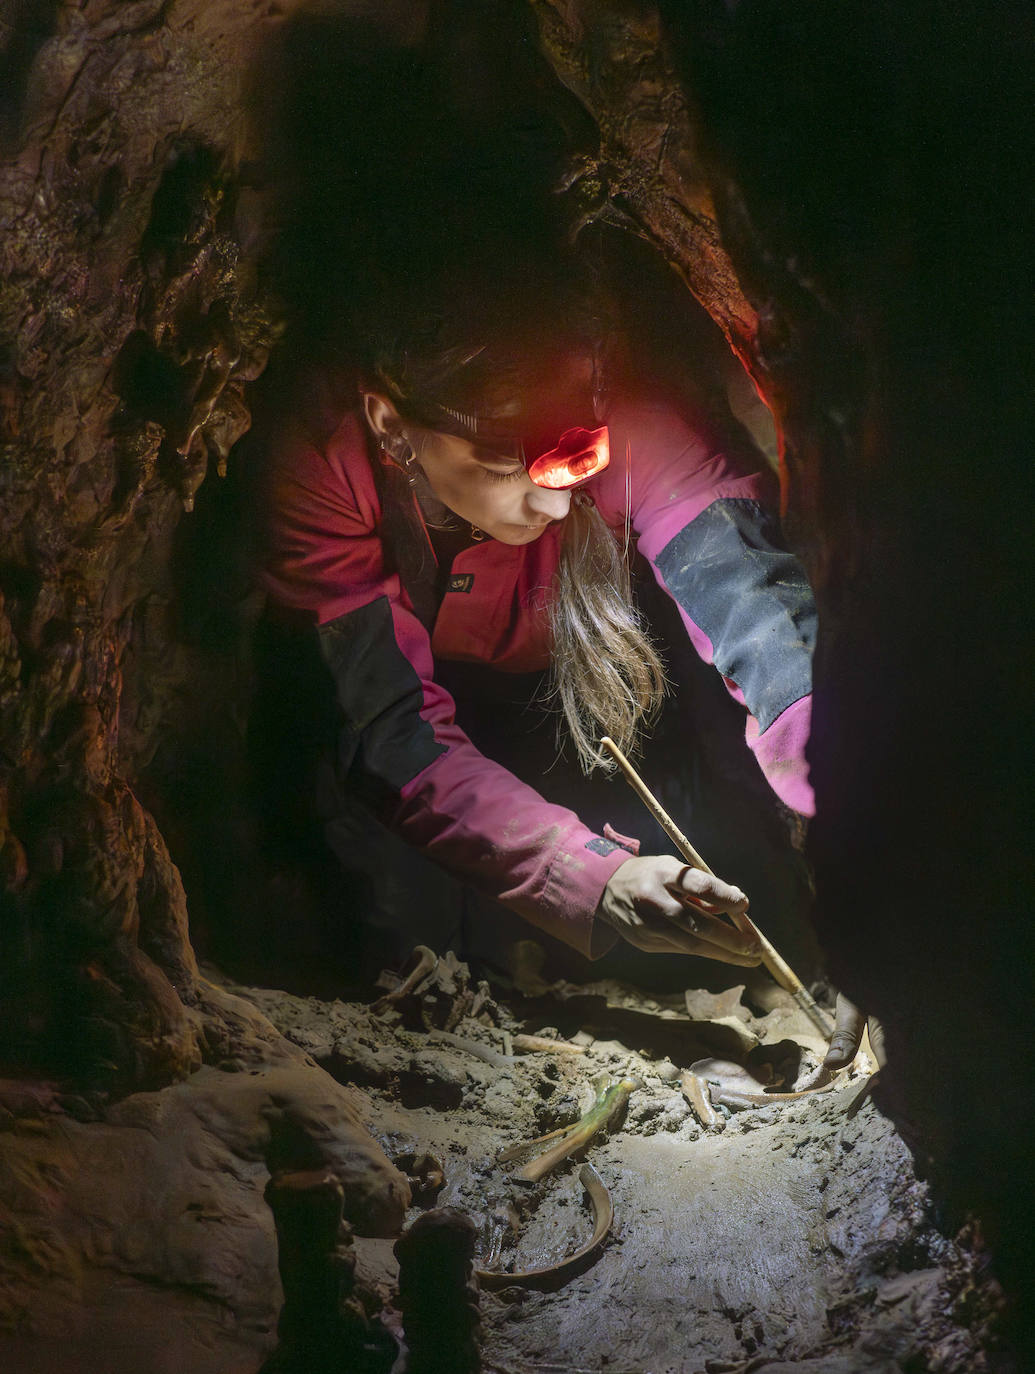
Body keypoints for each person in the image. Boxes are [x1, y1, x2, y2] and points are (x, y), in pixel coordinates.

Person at [259, 255, 817, 978]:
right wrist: (593, 880)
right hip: (434, 716)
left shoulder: (633, 411)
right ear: (391, 424)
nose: (555, 504)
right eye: (501, 467)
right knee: (393, 925)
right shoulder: (323, 462)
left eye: (579, 456)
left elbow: (761, 618)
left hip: (607, 694)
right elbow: (387, 725)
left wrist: (852, 808)